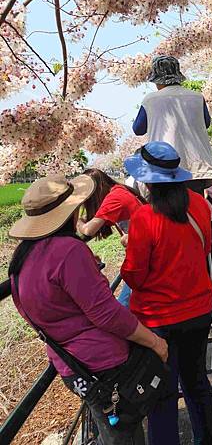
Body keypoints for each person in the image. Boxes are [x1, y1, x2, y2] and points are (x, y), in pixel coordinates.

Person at [8, 175, 168, 445]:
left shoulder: (21, 259)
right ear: (71, 210)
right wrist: (155, 341)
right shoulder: (69, 251)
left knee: (109, 426)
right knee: (125, 432)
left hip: (71, 366)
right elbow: (106, 313)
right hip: (105, 363)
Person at [122, 141, 212, 444]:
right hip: (199, 311)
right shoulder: (200, 205)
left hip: (158, 319)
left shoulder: (144, 218)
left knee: (162, 393)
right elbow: (206, 249)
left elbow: (135, 277)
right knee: (197, 382)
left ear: (147, 179)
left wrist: (129, 252)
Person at [132, 55, 212, 193]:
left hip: (164, 168)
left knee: (165, 211)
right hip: (197, 168)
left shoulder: (150, 99)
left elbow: (138, 129)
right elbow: (206, 123)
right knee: (195, 210)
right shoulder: (197, 97)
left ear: (157, 79)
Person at [77, 168, 144, 306]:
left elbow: (89, 230)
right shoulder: (118, 190)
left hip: (143, 258)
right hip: (141, 255)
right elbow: (99, 218)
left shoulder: (114, 198)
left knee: (127, 306)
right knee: (125, 302)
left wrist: (77, 221)